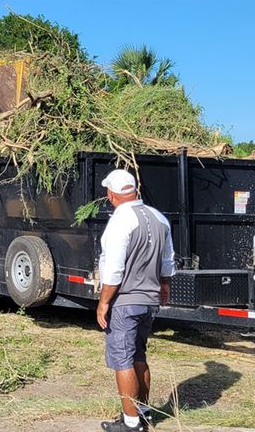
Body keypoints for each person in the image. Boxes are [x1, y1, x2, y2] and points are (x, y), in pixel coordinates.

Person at [97, 169, 175, 432]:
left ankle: (131, 424)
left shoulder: (120, 221)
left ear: (111, 194)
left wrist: (104, 301)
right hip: (149, 300)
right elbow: (167, 261)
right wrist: (164, 286)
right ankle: (143, 413)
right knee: (139, 354)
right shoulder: (159, 218)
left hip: (125, 301)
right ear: (134, 190)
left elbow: (115, 268)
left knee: (123, 359)